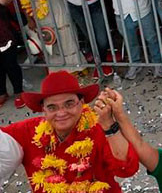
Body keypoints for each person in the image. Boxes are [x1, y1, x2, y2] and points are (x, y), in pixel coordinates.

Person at [0, 71, 139, 192]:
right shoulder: (28, 131)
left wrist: (110, 126)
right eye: (52, 107)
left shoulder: (99, 129)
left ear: (82, 102)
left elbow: (127, 170)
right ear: (43, 109)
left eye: (69, 104)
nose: (61, 113)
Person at [0, 0, 24, 109]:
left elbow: (3, 2)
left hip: (4, 38)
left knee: (11, 66)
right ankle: (2, 93)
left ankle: (19, 92)